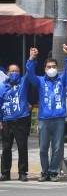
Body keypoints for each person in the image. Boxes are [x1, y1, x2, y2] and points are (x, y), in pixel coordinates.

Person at [26, 45, 67, 182]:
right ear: (45, 69)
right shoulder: (40, 81)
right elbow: (30, 75)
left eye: (53, 66)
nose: (51, 69)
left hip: (58, 119)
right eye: (48, 67)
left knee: (57, 148)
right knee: (43, 148)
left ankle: (53, 172)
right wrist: (31, 58)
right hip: (44, 119)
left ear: (57, 68)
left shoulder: (62, 80)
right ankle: (45, 171)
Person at [0, 50, 36, 182]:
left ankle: (22, 173)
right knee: (6, 148)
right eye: (12, 71)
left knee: (22, 147)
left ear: (19, 73)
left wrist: (31, 58)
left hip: (21, 120)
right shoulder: (2, 86)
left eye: (16, 71)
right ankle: (5, 173)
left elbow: (29, 71)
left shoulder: (23, 83)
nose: (14, 73)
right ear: (7, 73)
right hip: (6, 121)